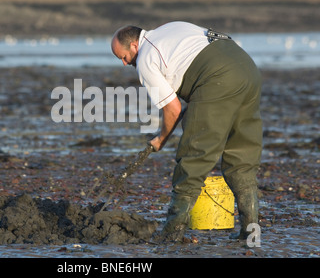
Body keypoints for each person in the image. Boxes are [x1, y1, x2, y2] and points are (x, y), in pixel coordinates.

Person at [110, 21, 262, 242]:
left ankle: (171, 235)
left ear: (134, 46)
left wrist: (161, 139)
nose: (124, 64)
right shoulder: (168, 28)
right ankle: (251, 235)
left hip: (216, 79)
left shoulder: (145, 59)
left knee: (193, 159)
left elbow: (173, 108)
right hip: (247, 68)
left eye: (123, 57)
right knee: (242, 160)